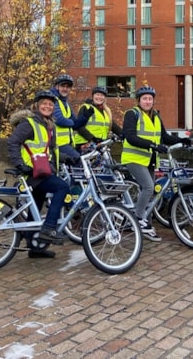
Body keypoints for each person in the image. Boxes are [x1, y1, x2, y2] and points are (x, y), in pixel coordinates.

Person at [121, 85, 190, 242]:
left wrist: (182, 140)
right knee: (148, 187)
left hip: (150, 160)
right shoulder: (132, 114)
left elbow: (164, 137)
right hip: (134, 158)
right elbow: (130, 136)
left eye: (150, 99)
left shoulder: (156, 117)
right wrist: (152, 145)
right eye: (144, 98)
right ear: (139, 100)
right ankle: (138, 219)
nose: (147, 101)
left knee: (151, 193)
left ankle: (147, 226)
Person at [8, 90, 71, 256]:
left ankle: (34, 248)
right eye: (44, 103)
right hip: (33, 173)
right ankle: (49, 228)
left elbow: (48, 152)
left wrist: (68, 158)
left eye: (51, 104)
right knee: (62, 188)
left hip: (41, 171)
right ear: (36, 106)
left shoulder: (47, 124)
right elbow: (13, 142)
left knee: (35, 207)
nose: (48, 106)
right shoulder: (30, 123)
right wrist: (20, 165)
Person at [50, 74, 94, 162]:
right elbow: (60, 120)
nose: (65, 89)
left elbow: (75, 124)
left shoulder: (65, 103)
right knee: (79, 161)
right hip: (57, 143)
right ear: (57, 86)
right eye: (63, 86)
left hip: (66, 143)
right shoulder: (53, 100)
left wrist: (85, 117)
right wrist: (72, 122)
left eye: (68, 87)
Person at [74, 86, 123, 150]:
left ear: (105, 98)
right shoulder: (86, 107)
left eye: (102, 95)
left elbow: (113, 126)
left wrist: (124, 135)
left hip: (99, 144)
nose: (99, 97)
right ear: (93, 96)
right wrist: (93, 138)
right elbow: (79, 127)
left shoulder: (106, 111)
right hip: (85, 144)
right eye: (97, 95)